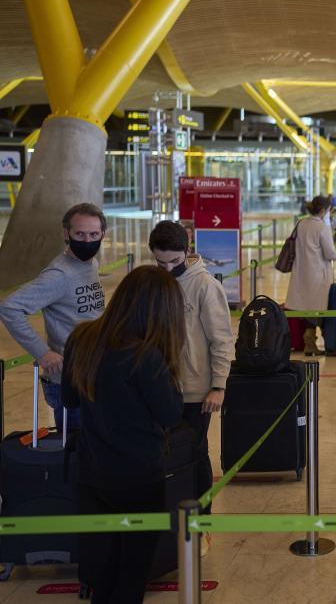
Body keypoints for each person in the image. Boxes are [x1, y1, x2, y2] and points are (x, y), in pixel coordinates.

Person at [61, 266, 185, 603]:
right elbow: (172, 414)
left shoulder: (81, 338)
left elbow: (69, 400)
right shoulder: (147, 356)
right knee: (132, 571)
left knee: (103, 567)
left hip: (92, 473)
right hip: (139, 477)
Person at [148, 221, 231, 538]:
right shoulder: (156, 281)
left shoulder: (205, 286)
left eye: (173, 261)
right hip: (161, 387)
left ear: (186, 250)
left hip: (198, 391)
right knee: (165, 455)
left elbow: (222, 340)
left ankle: (202, 521)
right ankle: (171, 519)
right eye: (160, 262)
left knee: (195, 455)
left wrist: (218, 385)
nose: (168, 268)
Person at [0, 203, 107, 431]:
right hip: (68, 381)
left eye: (93, 234)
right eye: (80, 234)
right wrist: (43, 352)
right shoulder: (58, 275)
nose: (87, 240)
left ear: (102, 234)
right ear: (66, 234)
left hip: (93, 373)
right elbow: (10, 308)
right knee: (74, 453)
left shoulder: (90, 264)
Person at [285, 196, 336, 356]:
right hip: (317, 274)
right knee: (316, 309)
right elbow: (329, 252)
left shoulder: (301, 223)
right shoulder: (322, 228)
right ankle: (310, 341)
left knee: (305, 307)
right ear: (323, 210)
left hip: (301, 272)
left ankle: (309, 341)